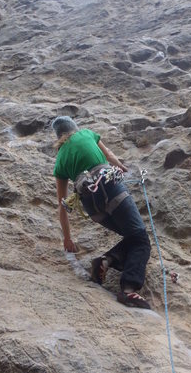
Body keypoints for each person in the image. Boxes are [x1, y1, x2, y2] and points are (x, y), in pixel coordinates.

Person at [52, 116, 151, 309]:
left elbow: (62, 205)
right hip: (111, 190)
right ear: (75, 128)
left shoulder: (60, 160)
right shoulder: (87, 134)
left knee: (133, 236)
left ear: (58, 137)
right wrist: (123, 168)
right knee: (140, 238)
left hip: (93, 207)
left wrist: (67, 238)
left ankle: (105, 262)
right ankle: (129, 290)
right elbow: (110, 157)